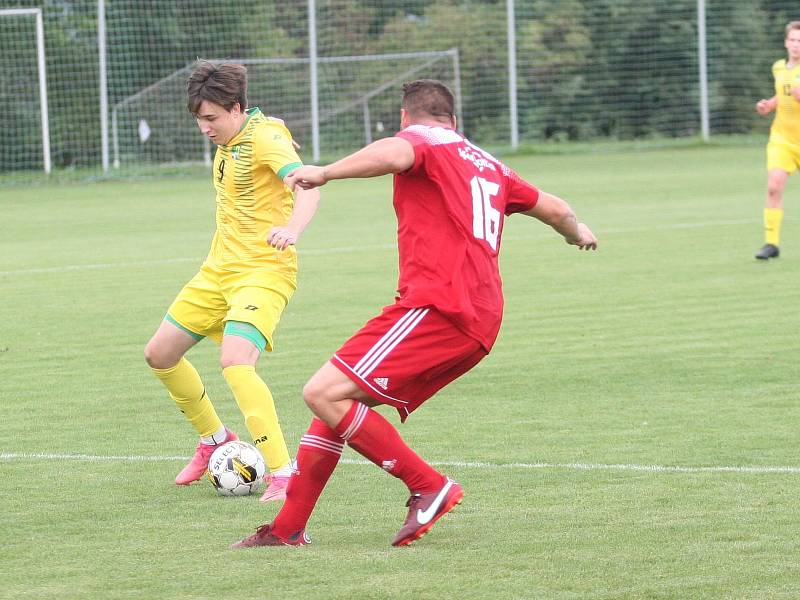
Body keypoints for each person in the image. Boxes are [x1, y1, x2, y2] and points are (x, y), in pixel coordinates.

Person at [231, 79, 597, 549]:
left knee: (321, 393)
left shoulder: (421, 141)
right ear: (455, 121)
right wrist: (577, 232)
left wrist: (327, 173)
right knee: (342, 402)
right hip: (479, 317)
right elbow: (557, 208)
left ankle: (427, 484)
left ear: (406, 117)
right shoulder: (490, 165)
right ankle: (286, 529)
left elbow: (394, 152)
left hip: (438, 306)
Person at [144, 60, 319, 502]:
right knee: (160, 354)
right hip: (218, 271)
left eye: (211, 118)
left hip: (263, 272)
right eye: (199, 119)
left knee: (235, 361)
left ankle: (284, 472)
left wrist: (293, 229)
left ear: (237, 108)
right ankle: (215, 440)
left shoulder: (266, 137)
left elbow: (308, 185)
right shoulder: (231, 138)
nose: (205, 128)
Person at [754, 21, 800, 260]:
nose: (796, 45)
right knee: (773, 186)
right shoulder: (779, 68)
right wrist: (768, 105)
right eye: (792, 40)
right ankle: (771, 243)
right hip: (782, 139)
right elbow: (782, 95)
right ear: (785, 42)